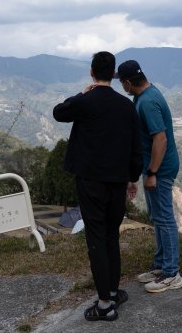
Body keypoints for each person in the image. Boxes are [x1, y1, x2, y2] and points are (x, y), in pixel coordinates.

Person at [54, 51, 143, 322]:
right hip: (118, 181)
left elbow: (59, 112)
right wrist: (132, 178)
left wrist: (82, 94)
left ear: (92, 72)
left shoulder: (86, 101)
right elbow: (135, 147)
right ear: (113, 74)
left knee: (96, 238)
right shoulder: (126, 106)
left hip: (91, 181)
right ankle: (113, 291)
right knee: (111, 235)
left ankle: (104, 304)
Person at [115, 59, 182, 293]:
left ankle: (171, 273)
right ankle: (161, 265)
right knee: (158, 217)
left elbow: (160, 138)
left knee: (164, 218)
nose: (121, 86)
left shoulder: (147, 102)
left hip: (161, 168)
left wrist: (152, 172)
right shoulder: (145, 95)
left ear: (126, 82)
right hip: (154, 167)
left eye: (121, 82)